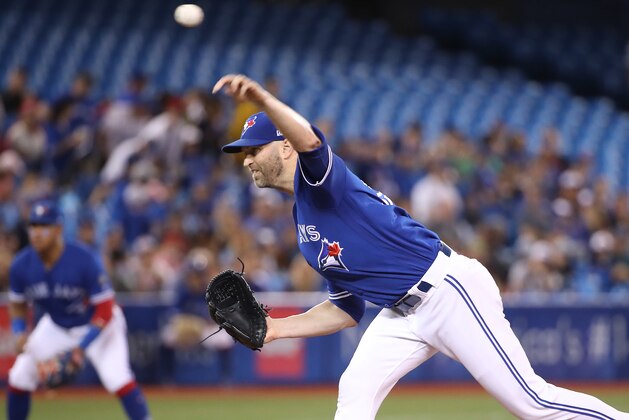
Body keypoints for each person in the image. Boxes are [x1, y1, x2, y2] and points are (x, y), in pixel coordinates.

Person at [212, 74, 629, 420]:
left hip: (448, 291)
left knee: (531, 403)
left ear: (284, 146)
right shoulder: (304, 223)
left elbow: (313, 144)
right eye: (243, 153)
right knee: (355, 389)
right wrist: (279, 328)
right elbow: (345, 308)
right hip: (403, 312)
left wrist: (264, 99)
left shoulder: (321, 185)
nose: (247, 160)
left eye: (255, 149)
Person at [6, 199, 151, 420]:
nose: (36, 232)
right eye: (33, 225)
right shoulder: (21, 265)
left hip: (100, 326)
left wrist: (80, 349)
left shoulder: (83, 260)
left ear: (58, 229)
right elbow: (17, 304)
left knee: (117, 378)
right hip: (57, 326)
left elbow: (104, 309)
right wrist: (18, 331)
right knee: (19, 376)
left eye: (43, 226)